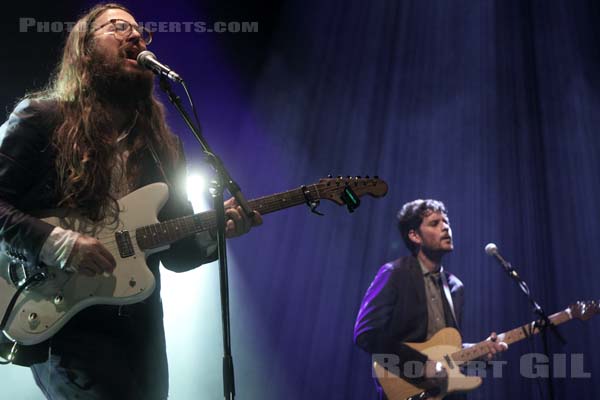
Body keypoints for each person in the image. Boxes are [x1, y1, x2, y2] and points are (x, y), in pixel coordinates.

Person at [0, 3, 261, 399]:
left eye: (140, 31)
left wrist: (216, 234)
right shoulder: (41, 119)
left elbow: (177, 254)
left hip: (140, 327)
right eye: (118, 27)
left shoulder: (162, 146)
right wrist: (58, 243)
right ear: (85, 50)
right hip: (65, 320)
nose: (135, 36)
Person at [354, 199, 507, 399]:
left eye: (446, 222)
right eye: (435, 223)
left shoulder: (455, 286)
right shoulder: (395, 273)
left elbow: (447, 349)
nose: (445, 227)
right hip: (407, 390)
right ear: (414, 235)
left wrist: (479, 351)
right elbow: (367, 333)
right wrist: (421, 366)